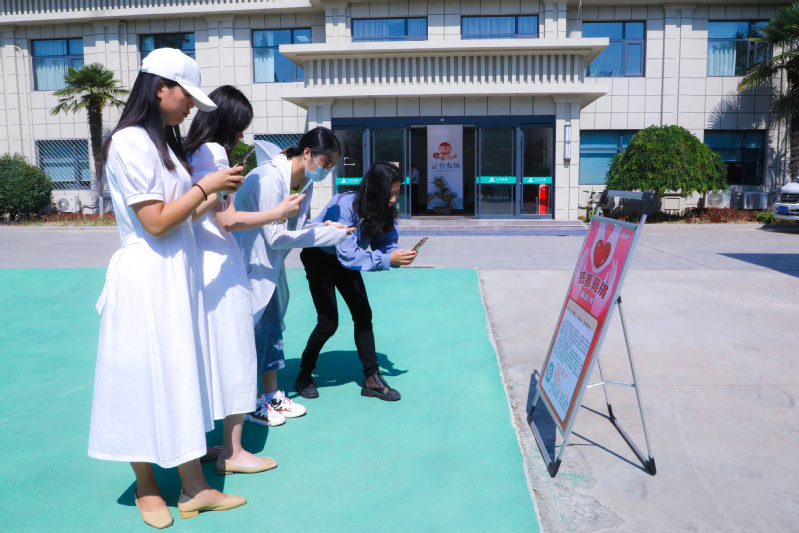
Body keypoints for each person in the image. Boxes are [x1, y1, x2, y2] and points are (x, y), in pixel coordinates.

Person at [89, 48, 247, 529]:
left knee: (180, 374)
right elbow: (155, 222)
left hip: (174, 276)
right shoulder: (130, 141)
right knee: (140, 378)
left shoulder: (161, 144)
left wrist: (213, 193)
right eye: (187, 96)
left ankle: (194, 486)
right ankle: (147, 486)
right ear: (160, 89)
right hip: (147, 279)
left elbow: (180, 216)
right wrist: (205, 187)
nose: (192, 107)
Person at [183, 85, 305, 475]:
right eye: (239, 129)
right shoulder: (214, 154)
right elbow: (230, 220)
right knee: (236, 351)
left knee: (201, 354)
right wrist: (278, 212)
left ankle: (199, 442)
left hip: (195, 263)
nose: (240, 138)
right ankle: (232, 451)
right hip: (221, 262)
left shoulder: (188, 151)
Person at [234, 127, 352, 427]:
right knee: (251, 333)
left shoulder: (302, 182)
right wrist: (326, 235)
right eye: (325, 163)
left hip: (269, 266)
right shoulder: (270, 178)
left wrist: (323, 226)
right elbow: (275, 236)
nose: (326, 170)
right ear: (308, 153)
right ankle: (249, 402)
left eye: (331, 166)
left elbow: (295, 228)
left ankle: (271, 395)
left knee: (271, 329)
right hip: (248, 264)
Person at [294, 161, 417, 402]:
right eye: (389, 193)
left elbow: (385, 243)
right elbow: (349, 256)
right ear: (375, 189)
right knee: (328, 323)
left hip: (346, 260)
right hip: (320, 257)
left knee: (363, 315)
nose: (393, 199)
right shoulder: (345, 204)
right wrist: (387, 259)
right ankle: (304, 373)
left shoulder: (384, 209)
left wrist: (397, 254)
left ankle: (371, 378)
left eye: (397, 193)